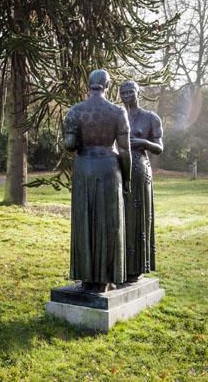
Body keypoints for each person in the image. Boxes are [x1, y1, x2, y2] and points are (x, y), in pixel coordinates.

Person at [64, 69, 131, 292]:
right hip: (109, 168)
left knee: (85, 220)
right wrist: (127, 178)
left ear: (89, 84)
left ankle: (86, 276)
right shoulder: (117, 111)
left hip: (84, 168)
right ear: (107, 85)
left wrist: (73, 134)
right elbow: (125, 150)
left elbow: (70, 145)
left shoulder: (75, 111)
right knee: (109, 222)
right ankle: (106, 277)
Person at [119, 80, 163, 283]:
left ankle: (136, 266)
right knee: (120, 215)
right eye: (123, 92)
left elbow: (159, 147)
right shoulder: (118, 115)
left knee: (138, 215)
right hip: (118, 168)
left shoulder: (150, 117)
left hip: (139, 168)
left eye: (130, 91)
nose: (127, 95)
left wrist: (143, 142)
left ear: (138, 92)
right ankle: (118, 263)